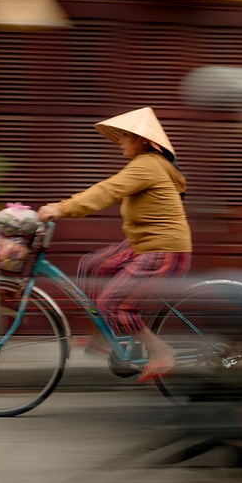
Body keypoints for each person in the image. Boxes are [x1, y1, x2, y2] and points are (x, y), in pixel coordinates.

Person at [37, 107, 192, 383]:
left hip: (163, 250)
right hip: (143, 245)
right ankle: (102, 339)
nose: (119, 141)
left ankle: (161, 352)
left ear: (141, 140)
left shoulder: (148, 164)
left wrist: (61, 208)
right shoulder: (148, 163)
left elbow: (107, 190)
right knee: (92, 265)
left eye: (124, 136)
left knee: (114, 304)